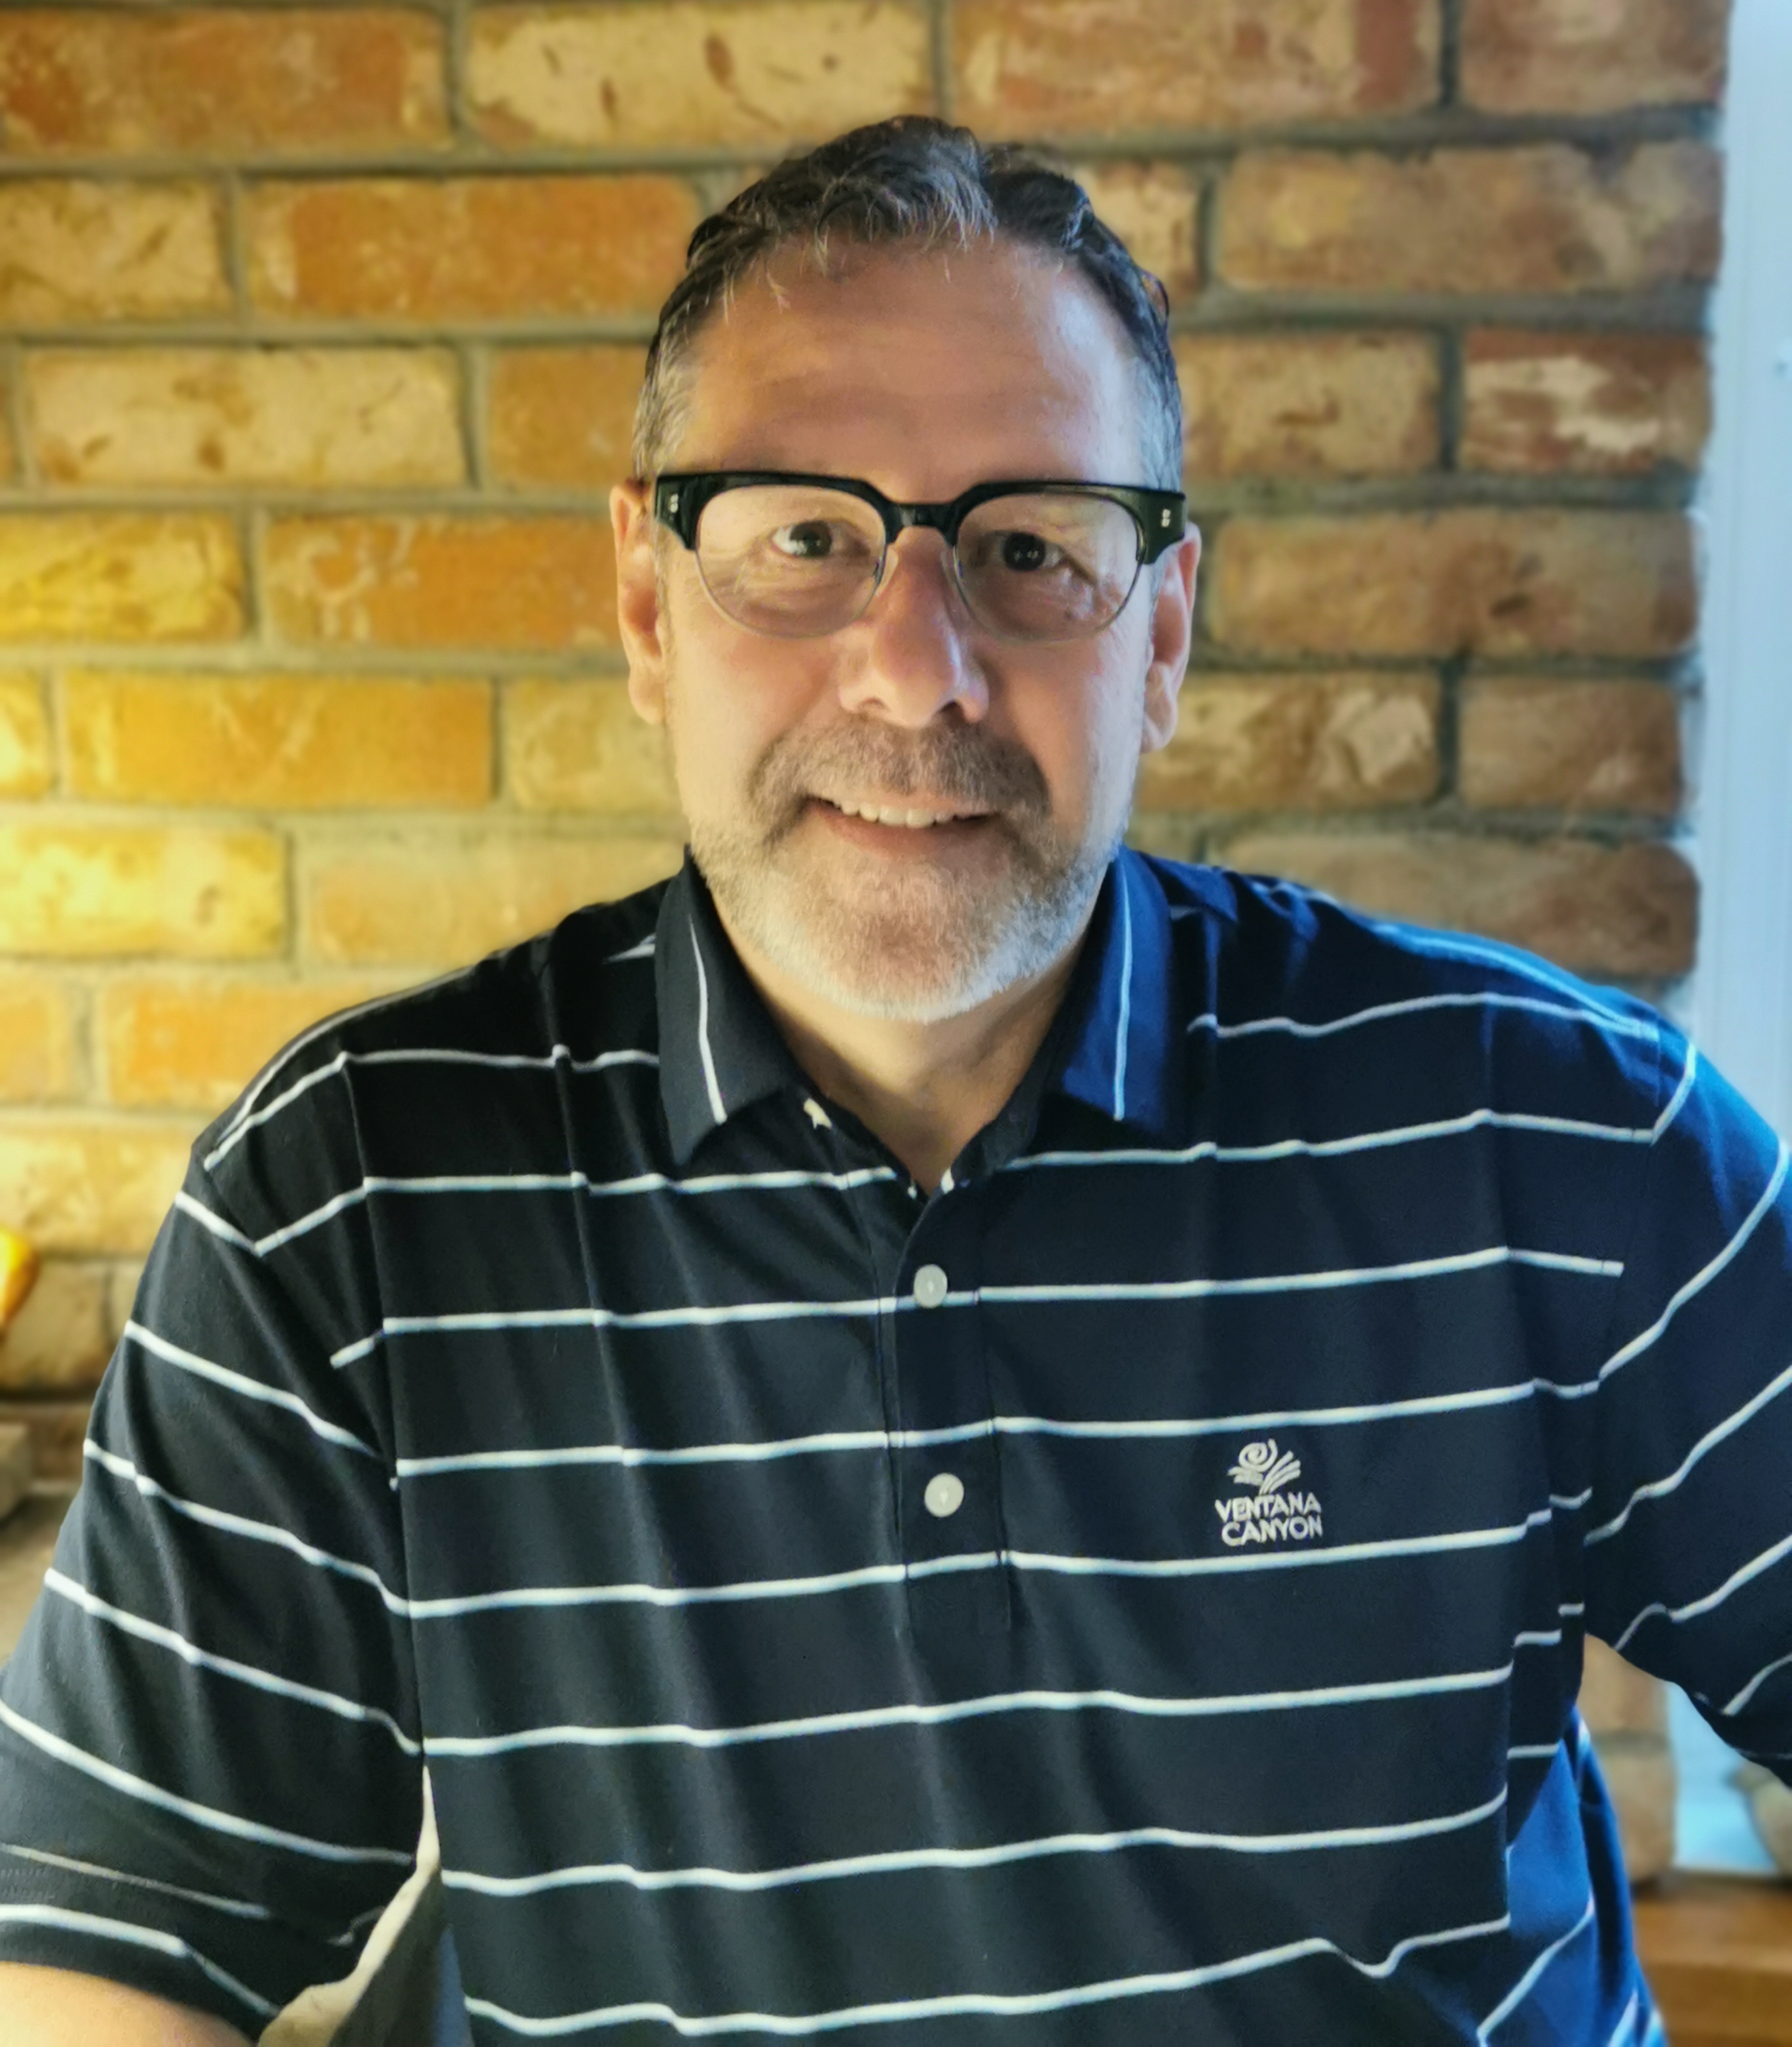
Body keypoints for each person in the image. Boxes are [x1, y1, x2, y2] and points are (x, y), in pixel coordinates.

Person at [0, 116, 1787, 2047]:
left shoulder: (1560, 1134)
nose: (917, 669)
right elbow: (105, 1953)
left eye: (1029, 549)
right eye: (803, 541)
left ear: (1162, 630)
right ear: (647, 604)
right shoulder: (351, 1193)